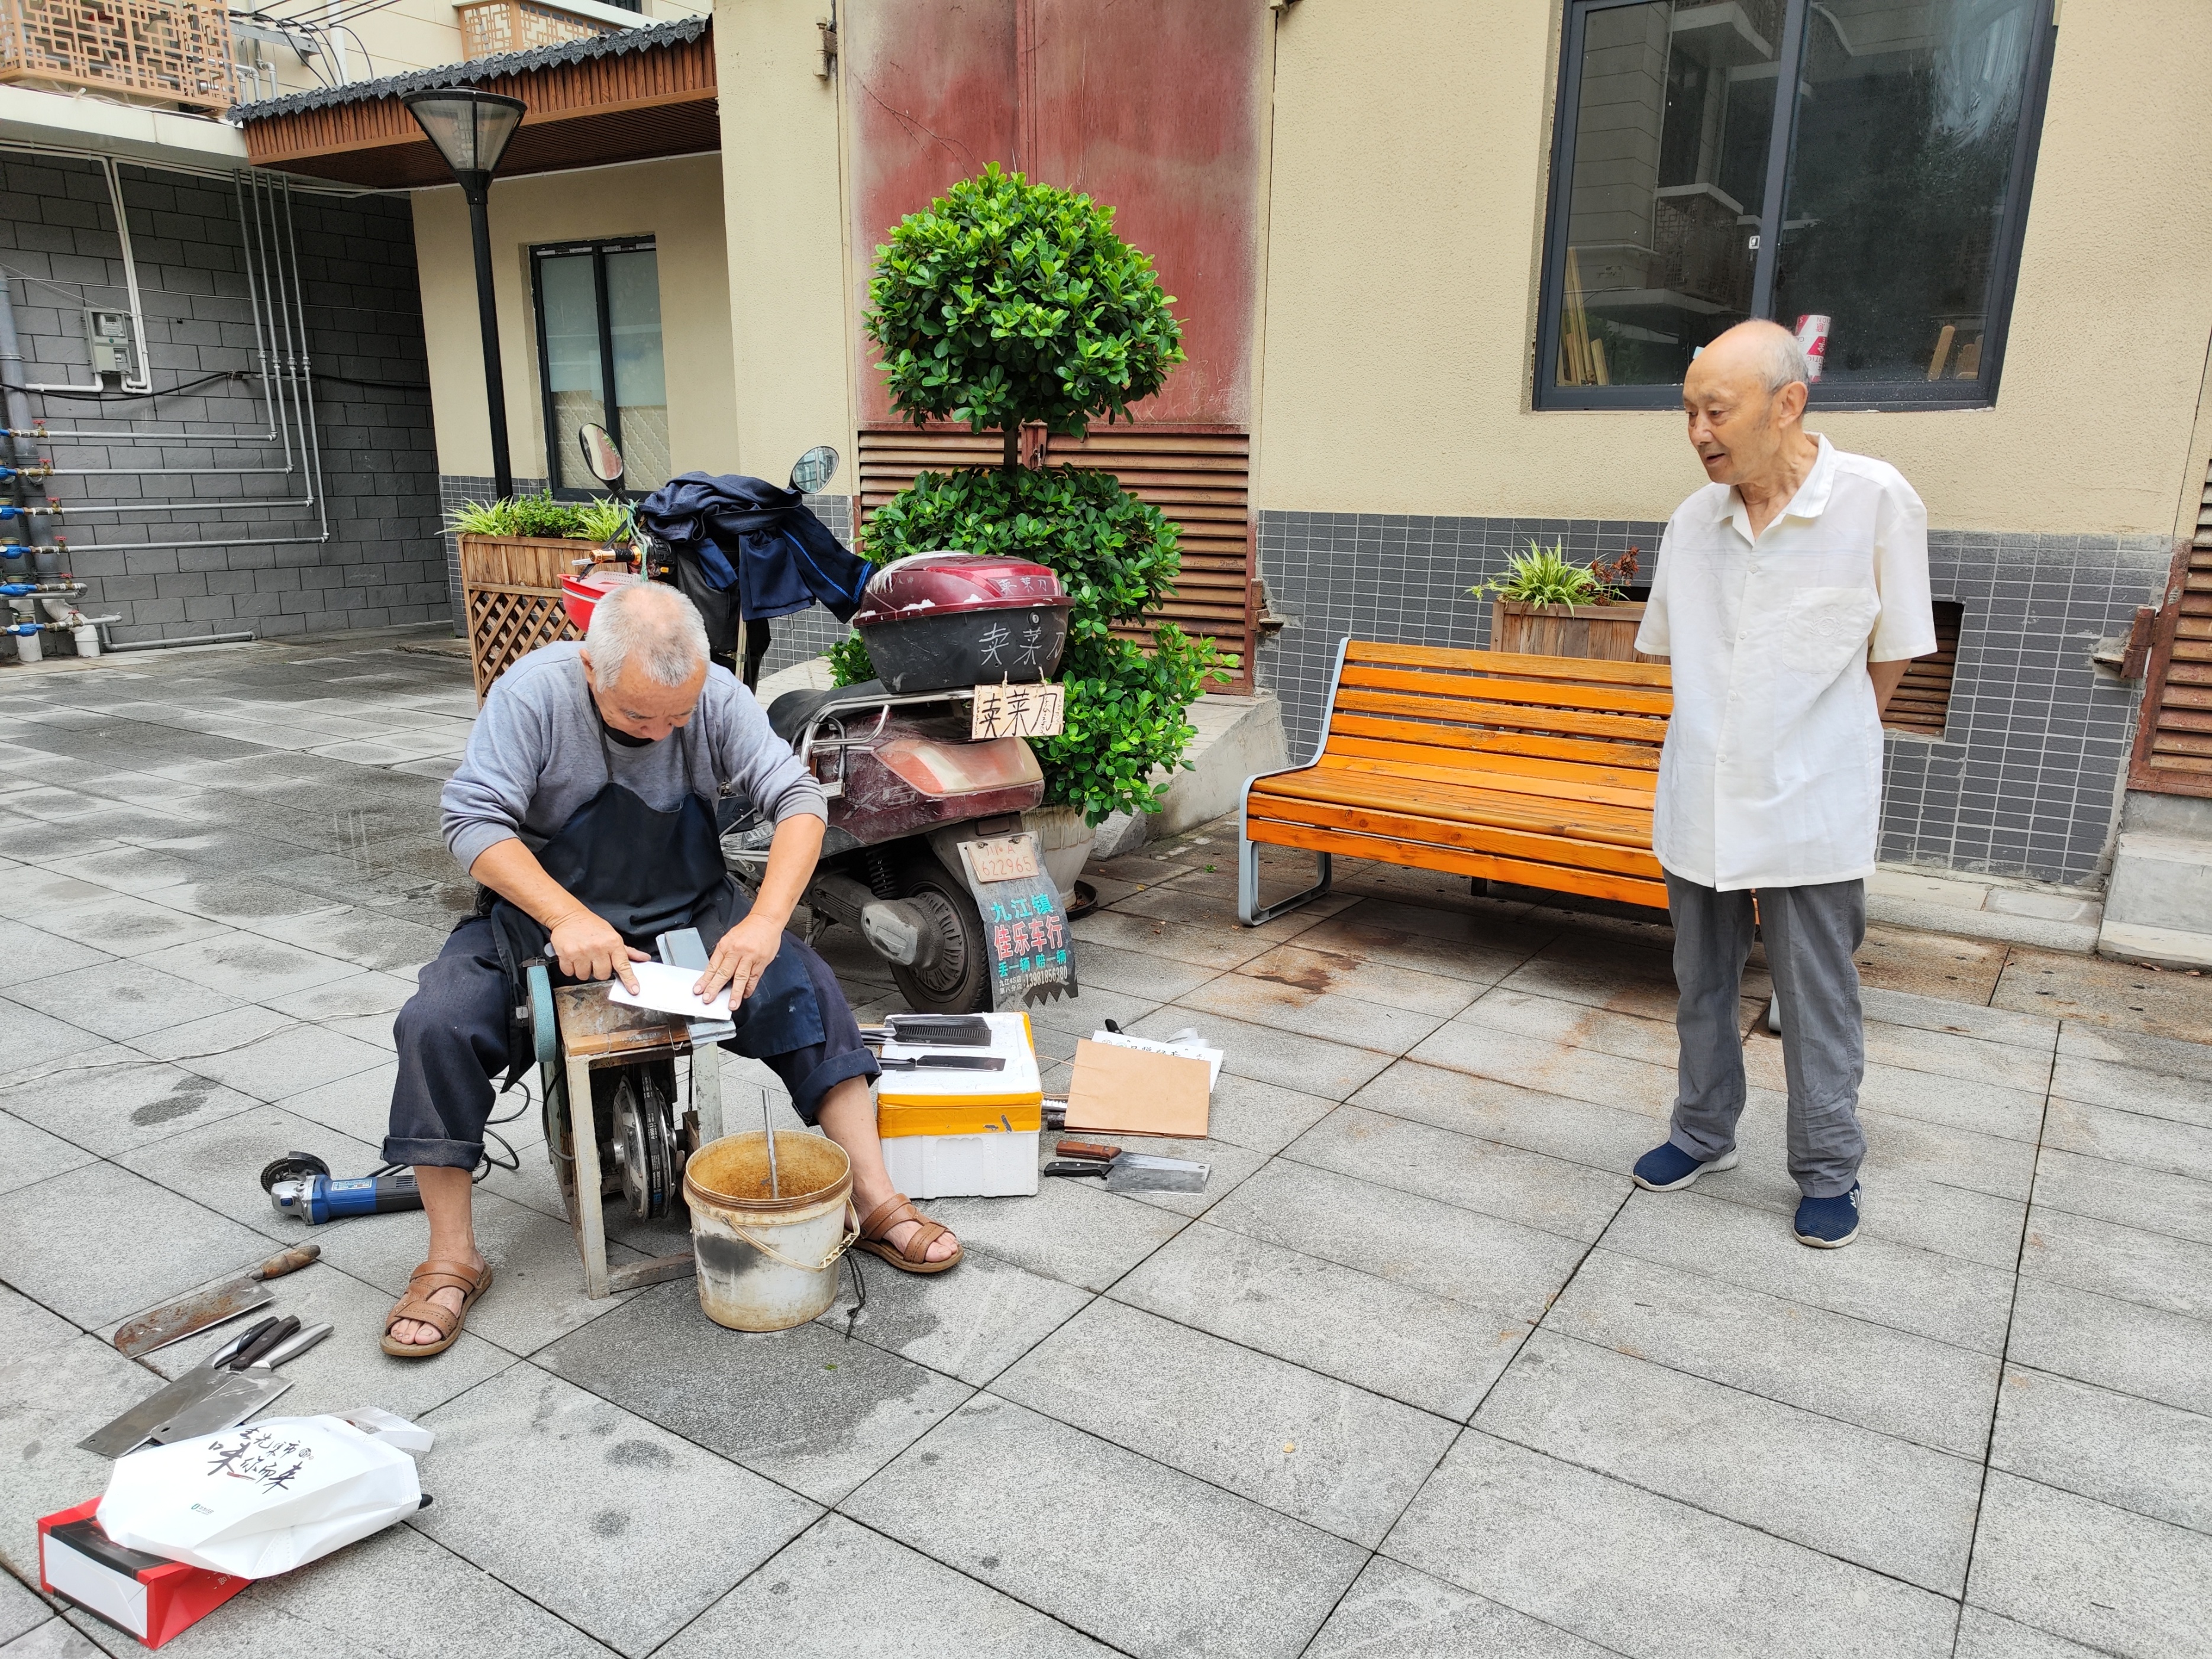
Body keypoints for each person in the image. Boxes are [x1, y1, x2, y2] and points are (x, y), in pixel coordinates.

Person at [380, 583, 960, 1356]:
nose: (660, 733)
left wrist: (762, 924)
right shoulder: (533, 696)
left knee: (805, 985)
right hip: (547, 911)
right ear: (591, 666)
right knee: (437, 1022)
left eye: (677, 718)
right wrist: (565, 917)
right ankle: (451, 1257)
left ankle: (878, 1200)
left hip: (685, 901)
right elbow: (472, 820)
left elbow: (796, 802)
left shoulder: (715, 694)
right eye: (635, 718)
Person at [1629, 319, 1936, 1249]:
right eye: (1688, 413)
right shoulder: (1694, 521)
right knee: (1701, 985)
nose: (1699, 432)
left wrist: (1823, 740)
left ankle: (1829, 1168)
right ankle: (1702, 1131)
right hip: (1701, 794)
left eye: (1714, 410)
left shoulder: (1875, 501)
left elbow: (1894, 656)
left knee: (1817, 999)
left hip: (1813, 798)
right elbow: (1677, 656)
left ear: (1788, 402)